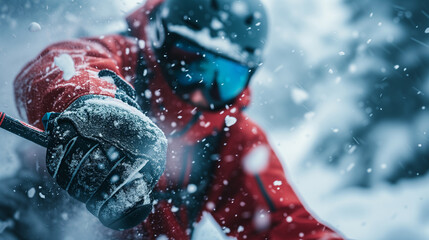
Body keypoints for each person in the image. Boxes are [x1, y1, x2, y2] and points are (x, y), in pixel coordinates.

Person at [12, 0, 343, 239]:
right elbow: (61, 64)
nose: (201, 93)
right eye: (190, 65)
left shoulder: (231, 139)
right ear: (159, 41)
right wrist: (90, 104)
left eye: (224, 79)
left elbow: (282, 224)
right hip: (26, 220)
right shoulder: (126, 63)